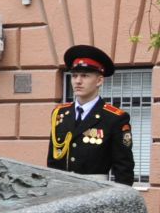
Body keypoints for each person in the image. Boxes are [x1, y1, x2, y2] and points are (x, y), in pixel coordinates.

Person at [47, 45, 135, 184]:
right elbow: (52, 162)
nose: (78, 81)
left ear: (99, 81)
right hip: (61, 192)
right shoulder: (60, 113)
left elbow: (124, 169)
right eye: (74, 76)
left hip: (95, 193)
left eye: (85, 76)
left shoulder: (114, 118)